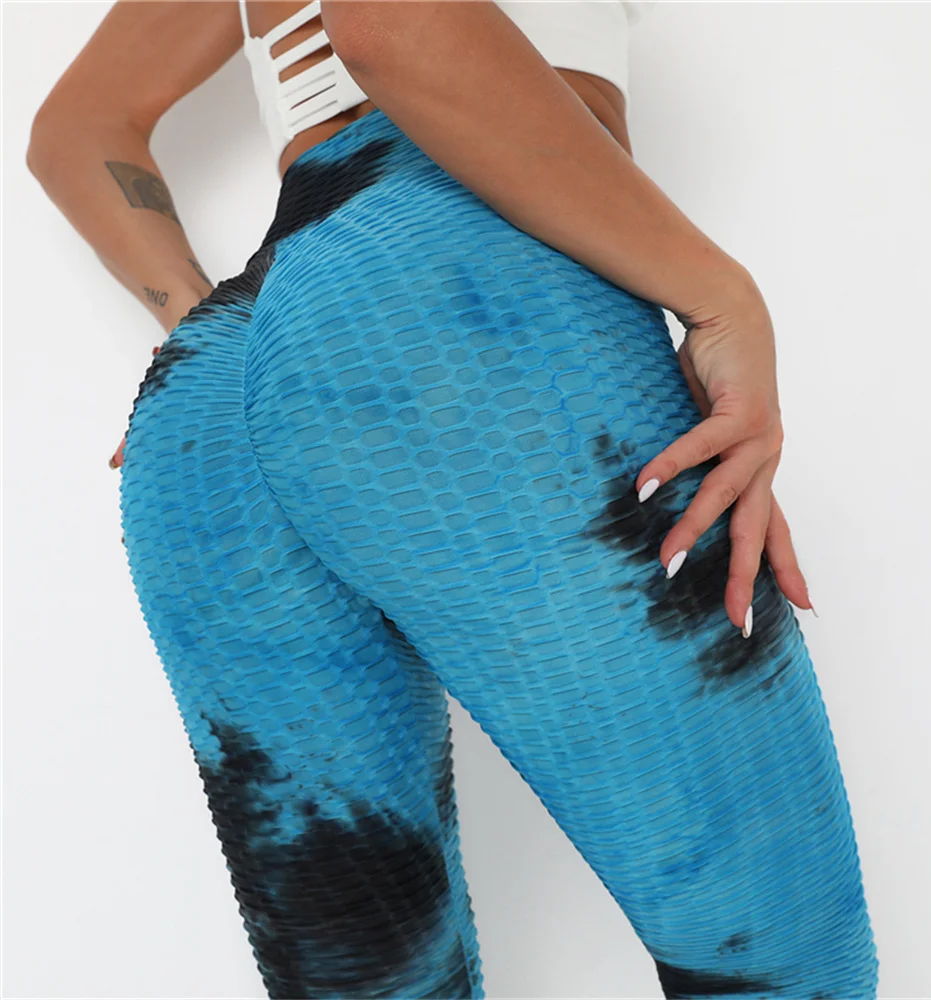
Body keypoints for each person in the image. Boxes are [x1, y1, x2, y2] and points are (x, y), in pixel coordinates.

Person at [26, 2, 879, 998]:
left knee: (378, 982)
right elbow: (390, 22)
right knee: (788, 967)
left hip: (216, 392)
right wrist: (718, 295)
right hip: (468, 304)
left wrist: (212, 333)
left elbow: (75, 129)